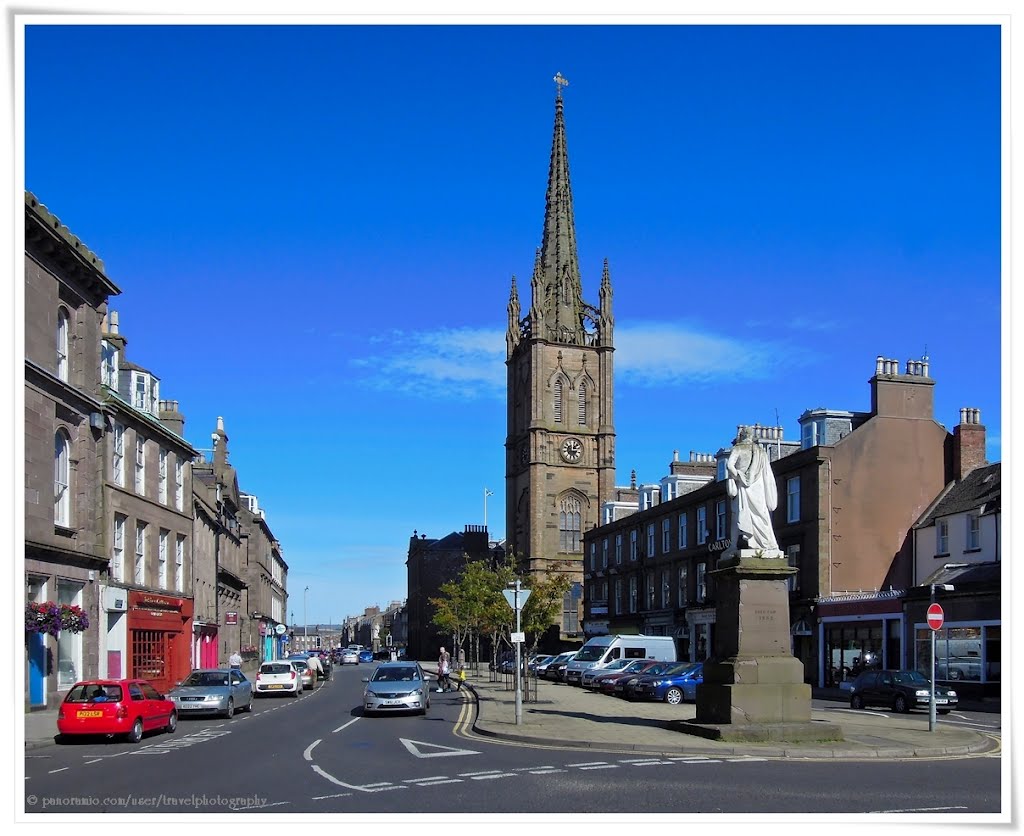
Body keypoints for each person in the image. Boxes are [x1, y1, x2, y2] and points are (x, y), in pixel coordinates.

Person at [725, 426, 780, 553]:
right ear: (751, 436)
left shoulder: (738, 448)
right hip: (758, 487)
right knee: (761, 514)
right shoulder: (761, 452)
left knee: (737, 515)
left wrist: (739, 475)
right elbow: (767, 474)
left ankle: (733, 546)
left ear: (741, 436)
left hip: (744, 488)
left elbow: (729, 466)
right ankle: (767, 542)